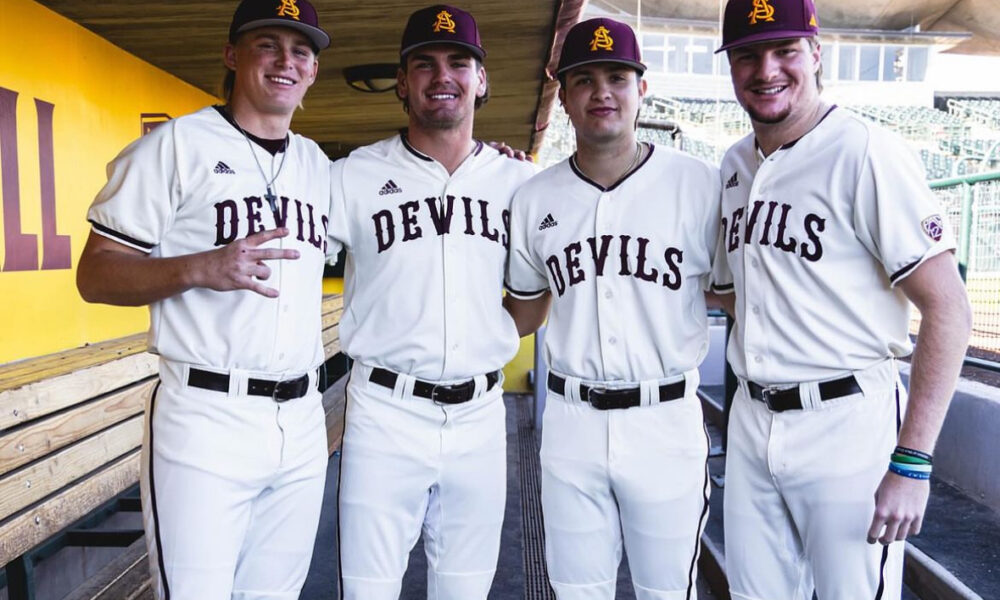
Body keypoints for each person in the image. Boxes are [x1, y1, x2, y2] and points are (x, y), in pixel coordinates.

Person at [710, 1, 973, 598]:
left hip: (846, 423)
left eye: (785, 51)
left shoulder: (866, 151)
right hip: (753, 422)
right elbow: (732, 295)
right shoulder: (733, 166)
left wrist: (912, 462)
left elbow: (949, 309)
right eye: (747, 54)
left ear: (816, 54)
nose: (766, 69)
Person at [75, 1, 333, 597]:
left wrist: (489, 159)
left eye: (301, 50)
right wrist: (201, 266)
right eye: (268, 43)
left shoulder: (319, 165)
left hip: (300, 417)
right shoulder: (175, 146)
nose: (285, 61)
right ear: (231, 54)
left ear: (314, 71)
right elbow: (95, 275)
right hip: (205, 414)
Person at [504, 18, 722, 599]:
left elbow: (731, 291)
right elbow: (524, 311)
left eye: (618, 77)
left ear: (641, 89)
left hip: (665, 417)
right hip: (572, 421)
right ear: (566, 96)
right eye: (585, 79)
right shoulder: (534, 198)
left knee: (667, 591)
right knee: (577, 590)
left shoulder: (700, 184)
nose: (603, 92)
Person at [327, 5, 536, 599]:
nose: (442, 75)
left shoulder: (518, 182)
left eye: (459, 62)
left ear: (482, 80)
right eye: (425, 63)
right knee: (367, 589)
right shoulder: (354, 175)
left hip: (479, 413)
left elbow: (531, 300)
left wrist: (478, 335)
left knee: (466, 590)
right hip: (383, 411)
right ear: (402, 81)